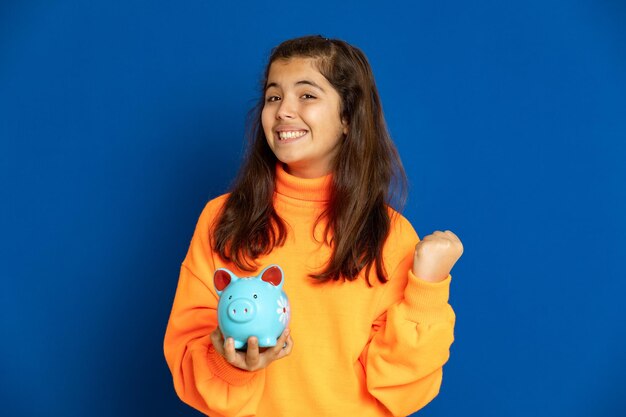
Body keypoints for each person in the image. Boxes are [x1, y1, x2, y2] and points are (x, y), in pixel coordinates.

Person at [163, 35, 463, 417]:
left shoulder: (390, 235)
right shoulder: (223, 219)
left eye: (307, 95)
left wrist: (428, 291)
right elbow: (188, 357)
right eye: (274, 96)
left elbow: (401, 390)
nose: (284, 110)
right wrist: (233, 364)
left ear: (347, 119)